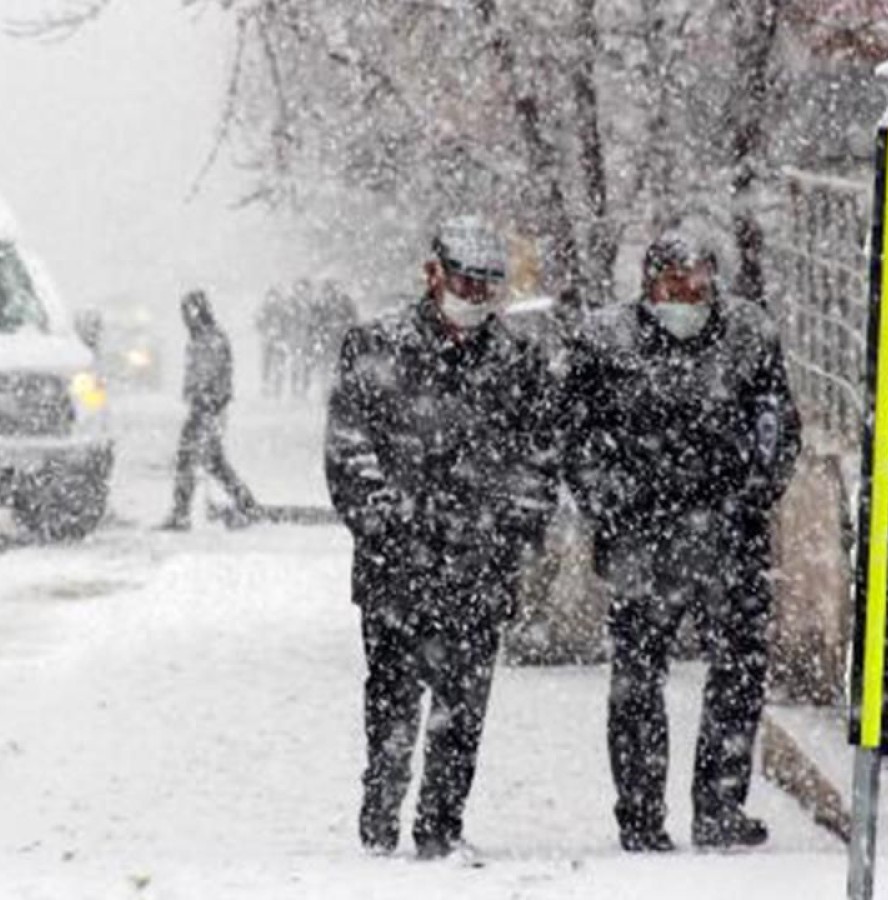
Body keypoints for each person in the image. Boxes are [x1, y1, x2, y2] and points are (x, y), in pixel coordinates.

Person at [561, 221, 802, 852]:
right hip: (641, 539)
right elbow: (576, 436)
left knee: (740, 673)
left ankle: (720, 807)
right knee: (638, 677)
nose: (687, 296)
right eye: (674, 282)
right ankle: (640, 815)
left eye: (698, 284)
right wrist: (611, 501)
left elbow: (777, 425)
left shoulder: (750, 336)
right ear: (649, 283)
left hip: (731, 536)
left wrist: (749, 495)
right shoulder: (605, 340)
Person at [325, 215, 557, 860]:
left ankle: (441, 825)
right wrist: (384, 522)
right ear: (434, 274)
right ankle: (382, 805)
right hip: (395, 564)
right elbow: (348, 450)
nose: (475, 296)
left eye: (488, 285)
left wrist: (511, 527)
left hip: (480, 563)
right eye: (464, 281)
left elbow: (539, 458)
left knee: (464, 702)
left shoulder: (520, 361)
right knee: (391, 696)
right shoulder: (374, 345)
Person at [160, 289, 259, 530]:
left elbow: (210, 376)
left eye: (188, 312)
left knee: (190, 458)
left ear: (198, 312)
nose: (184, 318)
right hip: (205, 407)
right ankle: (245, 504)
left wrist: (203, 399)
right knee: (212, 461)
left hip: (207, 408)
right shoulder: (203, 337)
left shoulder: (209, 339)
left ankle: (182, 513)